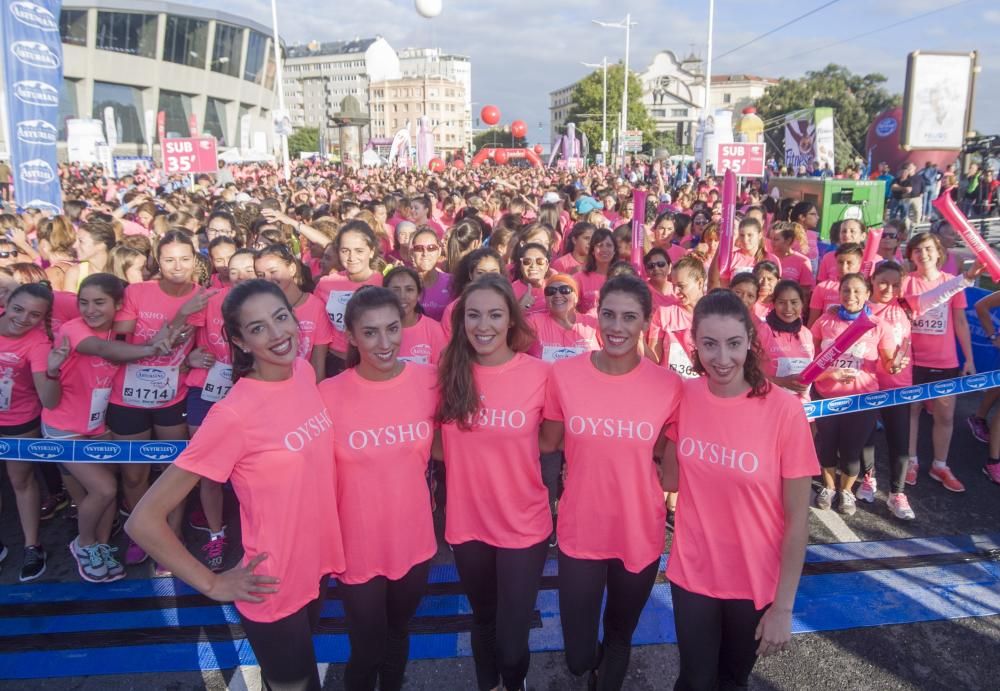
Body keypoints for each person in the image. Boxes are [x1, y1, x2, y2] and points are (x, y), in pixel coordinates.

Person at [125, 280, 345, 691]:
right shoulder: (234, 415)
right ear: (241, 342)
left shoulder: (302, 372)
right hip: (273, 584)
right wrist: (212, 583)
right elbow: (144, 520)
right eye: (258, 328)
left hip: (317, 567)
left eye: (281, 318)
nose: (278, 334)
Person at [662, 289, 817, 691]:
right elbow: (670, 480)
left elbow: (798, 521)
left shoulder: (784, 410)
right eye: (709, 344)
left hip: (753, 580)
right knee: (695, 681)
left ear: (750, 340)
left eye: (733, 344)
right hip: (692, 571)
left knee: (731, 681)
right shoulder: (684, 396)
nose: (722, 358)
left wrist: (783, 607)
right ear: (694, 343)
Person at [540, 274, 682, 690]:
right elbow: (547, 440)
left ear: (645, 323)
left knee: (619, 636)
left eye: (629, 317)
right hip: (581, 527)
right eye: (608, 315)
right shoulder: (563, 375)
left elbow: (674, 463)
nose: (616, 327)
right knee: (578, 654)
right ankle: (590, 665)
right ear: (596, 316)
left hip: (638, 530)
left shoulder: (668, 386)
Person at [435, 274, 550, 691]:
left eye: (495, 315)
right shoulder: (447, 373)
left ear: (511, 321)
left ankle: (514, 683)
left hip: (524, 524)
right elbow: (433, 445)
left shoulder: (539, 375)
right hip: (468, 526)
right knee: (483, 619)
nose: (483, 325)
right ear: (461, 320)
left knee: (512, 638)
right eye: (474, 315)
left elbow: (550, 439)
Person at [319, 286, 437, 691]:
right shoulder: (326, 395)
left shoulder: (429, 381)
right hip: (357, 547)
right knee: (367, 648)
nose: (385, 343)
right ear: (350, 337)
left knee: (398, 634)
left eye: (392, 329)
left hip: (414, 539)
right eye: (370, 333)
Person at [42, 273, 180, 582]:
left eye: (99, 303)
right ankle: (84, 543)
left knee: (108, 491)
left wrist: (168, 344)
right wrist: (152, 349)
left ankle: (101, 547)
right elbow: (106, 353)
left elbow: (138, 344)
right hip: (64, 428)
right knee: (104, 489)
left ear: (118, 305)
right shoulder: (74, 329)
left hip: (98, 426)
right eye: (84, 302)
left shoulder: (121, 334)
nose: (90, 310)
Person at [108, 230, 204, 570]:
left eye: (184, 259)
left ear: (195, 260)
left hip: (171, 397)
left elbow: (203, 348)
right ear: (157, 262)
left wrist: (194, 359)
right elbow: (119, 346)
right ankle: (141, 532)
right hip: (127, 397)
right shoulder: (137, 292)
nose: (177, 266)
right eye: (168, 259)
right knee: (134, 476)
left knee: (172, 472)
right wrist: (177, 319)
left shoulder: (203, 297)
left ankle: (171, 535)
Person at [811, 274, 893, 515]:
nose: (851, 296)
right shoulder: (825, 322)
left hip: (862, 400)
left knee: (851, 451)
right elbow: (812, 358)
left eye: (858, 291)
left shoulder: (879, 325)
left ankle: (846, 491)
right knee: (826, 446)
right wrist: (828, 374)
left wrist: (896, 363)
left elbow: (888, 364)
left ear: (868, 294)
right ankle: (828, 487)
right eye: (846, 290)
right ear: (839, 292)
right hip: (826, 398)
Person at [0, 284, 67, 581]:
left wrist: (52, 370)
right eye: (18, 309)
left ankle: (31, 545)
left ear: (43, 318)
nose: (23, 318)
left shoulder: (39, 344)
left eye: (34, 315)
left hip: (19, 420)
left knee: (21, 480)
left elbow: (50, 400)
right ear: (6, 302)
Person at [903, 232, 975, 492]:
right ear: (911, 255)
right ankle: (911, 461)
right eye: (918, 250)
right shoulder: (905, 282)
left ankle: (940, 465)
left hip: (945, 362)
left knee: (945, 415)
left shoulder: (952, 282)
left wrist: (968, 358)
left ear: (939, 252)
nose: (924, 254)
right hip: (912, 361)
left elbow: (960, 321)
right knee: (912, 411)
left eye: (929, 249)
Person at [867, 262, 916, 519]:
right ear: (872, 279)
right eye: (883, 282)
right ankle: (868, 478)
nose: (889, 288)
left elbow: (942, 293)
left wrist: (967, 276)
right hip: (866, 385)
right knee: (866, 439)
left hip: (899, 387)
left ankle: (897, 494)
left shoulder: (906, 306)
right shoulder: (859, 304)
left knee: (899, 442)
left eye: (896, 284)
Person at [254, 244, 333, 381]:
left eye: (273, 272)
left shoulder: (316, 307)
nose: (267, 279)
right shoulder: (258, 309)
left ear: (291, 269)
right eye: (261, 275)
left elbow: (318, 364)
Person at [314, 220, 385, 368]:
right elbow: (318, 332)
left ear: (371, 251)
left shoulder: (384, 284)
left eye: (359, 251)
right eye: (345, 251)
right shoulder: (325, 284)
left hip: (373, 361)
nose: (351, 257)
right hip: (334, 361)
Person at [649, 256, 706, 379]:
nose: (675, 291)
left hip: (702, 388)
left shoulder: (715, 314)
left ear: (700, 283)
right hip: (670, 387)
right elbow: (654, 359)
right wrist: (639, 339)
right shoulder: (664, 313)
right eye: (673, 285)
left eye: (681, 286)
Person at [756, 280, 813, 401]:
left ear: (802, 304)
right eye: (782, 302)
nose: (788, 308)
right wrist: (781, 382)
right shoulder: (762, 331)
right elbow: (748, 372)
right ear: (774, 304)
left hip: (802, 407)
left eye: (794, 302)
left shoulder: (806, 334)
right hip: (769, 404)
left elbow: (811, 371)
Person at [384, 266, 447, 364]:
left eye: (409, 289)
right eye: (395, 290)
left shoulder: (434, 330)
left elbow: (442, 371)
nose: (402, 296)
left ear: (419, 295)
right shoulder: (377, 329)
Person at [64, 221, 116, 293]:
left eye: (81, 241)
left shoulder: (119, 270)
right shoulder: (75, 273)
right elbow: (70, 303)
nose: (74, 246)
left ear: (101, 245)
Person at [574, 228, 617, 314]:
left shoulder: (621, 278)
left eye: (609, 245)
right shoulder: (579, 278)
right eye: (600, 245)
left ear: (614, 251)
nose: (604, 249)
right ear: (593, 251)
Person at [511, 242, 550, 315]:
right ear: (520, 266)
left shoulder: (554, 287)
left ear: (547, 265)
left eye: (540, 261)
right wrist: (519, 308)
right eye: (527, 261)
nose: (533, 266)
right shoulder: (510, 291)